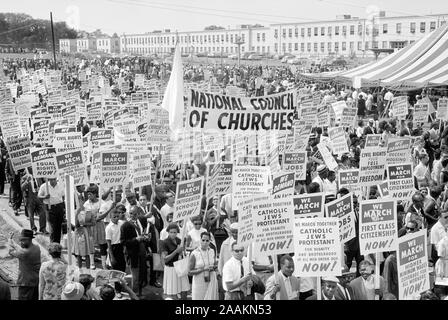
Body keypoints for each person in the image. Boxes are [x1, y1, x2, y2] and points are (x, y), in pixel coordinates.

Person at [120, 205, 149, 296]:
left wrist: (145, 237)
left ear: (138, 214)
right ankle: (134, 295)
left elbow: (142, 233)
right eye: (131, 213)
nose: (133, 216)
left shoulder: (140, 221)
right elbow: (123, 242)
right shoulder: (125, 225)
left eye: (135, 214)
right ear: (129, 213)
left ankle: (139, 293)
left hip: (142, 252)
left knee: (142, 274)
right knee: (135, 277)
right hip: (132, 254)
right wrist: (136, 239)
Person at [8, 229, 41, 300]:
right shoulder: (37, 248)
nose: (21, 242)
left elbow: (10, 251)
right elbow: (20, 249)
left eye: (23, 240)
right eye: (20, 240)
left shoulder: (24, 253)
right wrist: (12, 240)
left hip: (25, 283)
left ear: (29, 239)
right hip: (36, 281)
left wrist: (10, 240)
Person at [160, 223, 190, 299]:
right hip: (171, 269)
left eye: (175, 232)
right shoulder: (164, 242)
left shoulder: (180, 240)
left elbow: (182, 254)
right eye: (171, 232)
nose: (173, 234)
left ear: (177, 232)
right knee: (172, 293)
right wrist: (176, 251)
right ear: (168, 232)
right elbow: (165, 259)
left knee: (184, 289)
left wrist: (181, 252)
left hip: (180, 267)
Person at [84, 185, 110, 269]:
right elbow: (87, 217)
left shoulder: (102, 202)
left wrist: (97, 215)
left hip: (100, 226)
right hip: (90, 226)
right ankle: (92, 262)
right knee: (91, 244)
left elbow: (101, 217)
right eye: (88, 194)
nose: (88, 196)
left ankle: (103, 263)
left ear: (95, 194)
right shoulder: (86, 204)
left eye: (90, 194)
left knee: (102, 244)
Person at [188, 231, 218, 300]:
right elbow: (189, 272)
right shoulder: (194, 253)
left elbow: (214, 264)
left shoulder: (212, 251)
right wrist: (203, 269)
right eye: (203, 240)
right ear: (200, 240)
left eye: (207, 240)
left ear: (210, 241)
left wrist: (214, 267)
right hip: (199, 282)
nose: (205, 242)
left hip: (211, 280)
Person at [105, 208, 126, 296]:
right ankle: (117, 290)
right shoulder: (109, 228)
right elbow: (109, 244)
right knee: (116, 270)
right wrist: (112, 257)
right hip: (114, 248)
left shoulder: (121, 223)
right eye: (114, 217)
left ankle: (122, 285)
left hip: (121, 246)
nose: (116, 218)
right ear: (110, 217)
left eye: (117, 216)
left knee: (123, 268)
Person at [37, 177, 65, 243]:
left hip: (59, 206)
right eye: (51, 180)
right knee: (52, 227)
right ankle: (52, 245)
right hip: (50, 208)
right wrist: (45, 197)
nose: (52, 181)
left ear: (56, 179)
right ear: (48, 180)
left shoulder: (61, 185)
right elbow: (39, 196)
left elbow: (63, 196)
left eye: (54, 179)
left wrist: (63, 206)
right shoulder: (44, 186)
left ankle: (57, 244)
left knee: (58, 226)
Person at [22, 171, 46, 235]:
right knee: (31, 216)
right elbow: (22, 188)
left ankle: (43, 228)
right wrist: (27, 181)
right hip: (29, 199)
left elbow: (41, 185)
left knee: (43, 212)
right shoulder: (24, 178)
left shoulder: (38, 176)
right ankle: (33, 229)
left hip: (38, 198)